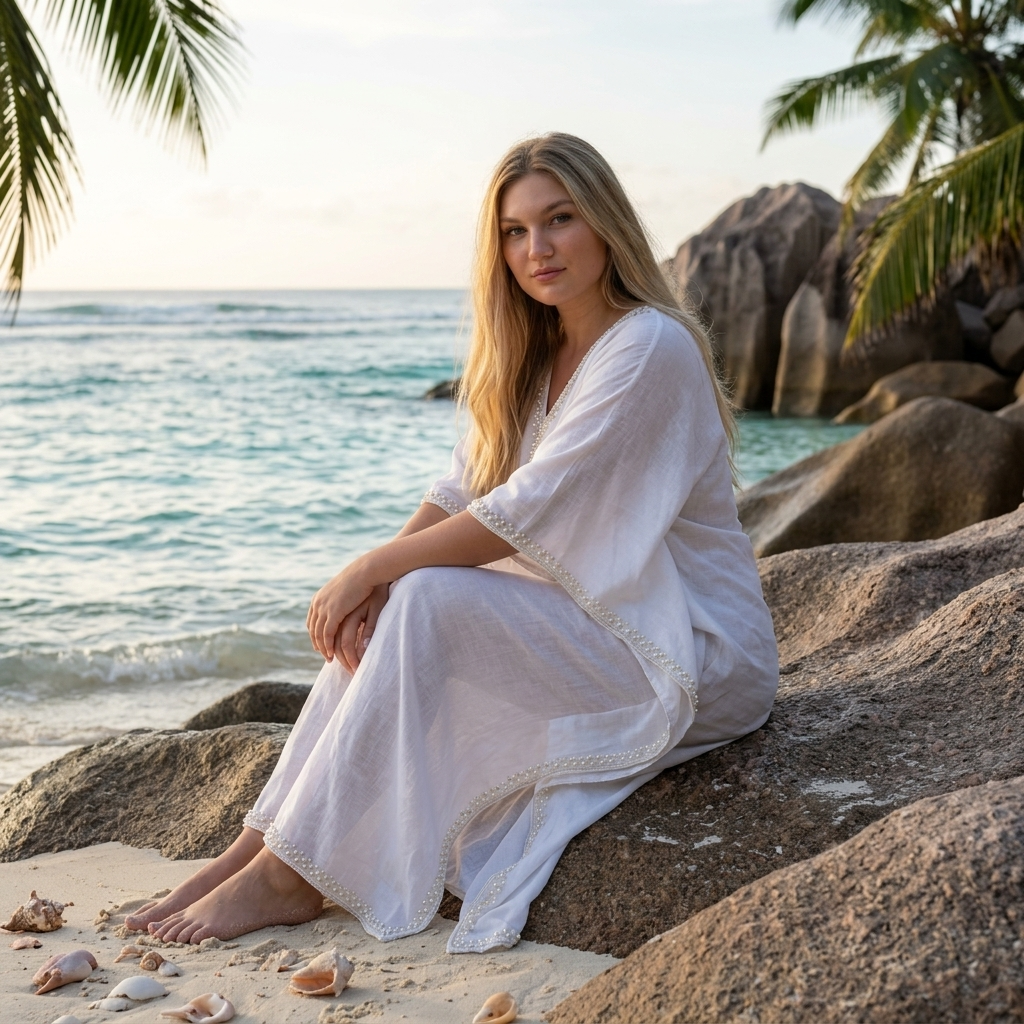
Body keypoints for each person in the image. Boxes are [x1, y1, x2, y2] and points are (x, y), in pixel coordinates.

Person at [126, 133, 778, 953]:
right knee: (404, 592)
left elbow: (531, 509)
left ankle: (293, 878)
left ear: (605, 223)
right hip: (602, 623)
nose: (536, 249)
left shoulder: (649, 345)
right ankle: (254, 850)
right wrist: (372, 584)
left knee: (424, 591)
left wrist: (372, 567)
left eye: (559, 220)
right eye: (514, 231)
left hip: (692, 649)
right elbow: (463, 491)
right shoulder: (531, 354)